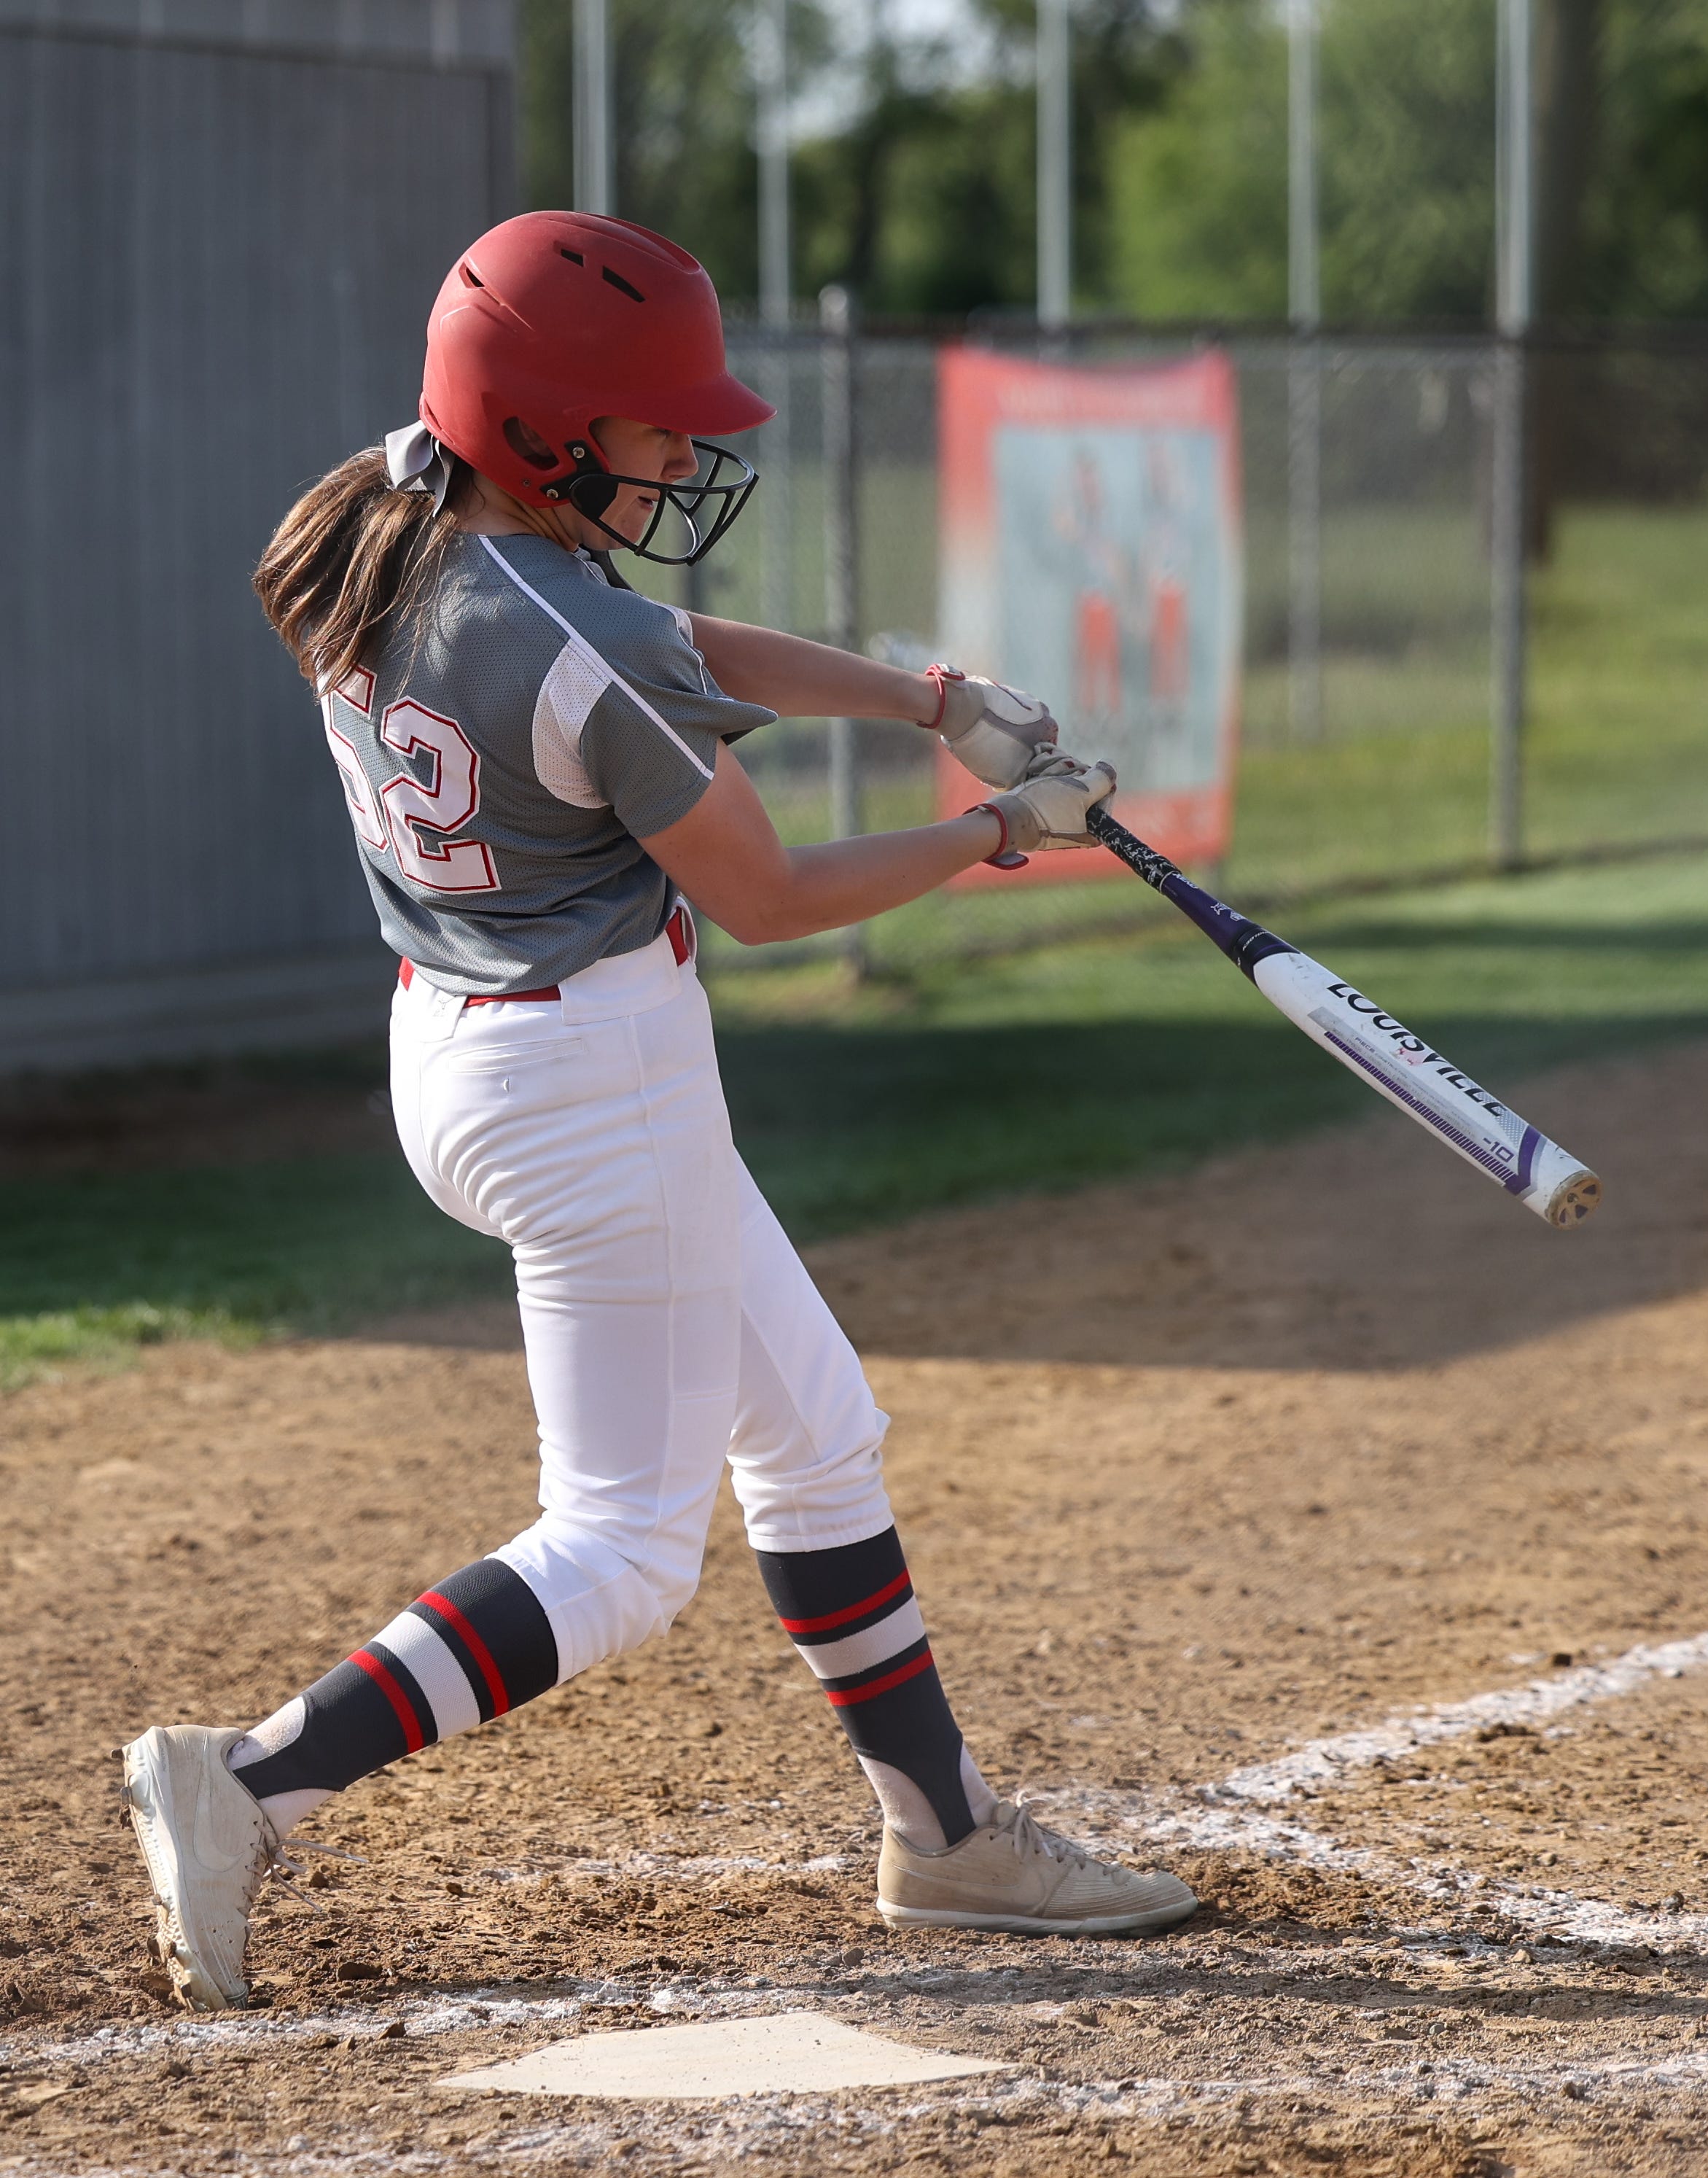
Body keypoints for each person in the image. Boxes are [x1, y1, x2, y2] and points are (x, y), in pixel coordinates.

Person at [118, 211, 1194, 2015]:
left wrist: (931, 700)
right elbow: (764, 894)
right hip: (592, 1079)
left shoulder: (390, 520)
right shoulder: (560, 634)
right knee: (618, 1546)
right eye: (652, 425)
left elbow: (657, 637)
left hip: (470, 1041)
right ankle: (249, 1778)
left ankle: (942, 1834)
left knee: (816, 1433)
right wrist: (993, 833)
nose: (692, 451)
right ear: (544, 431)